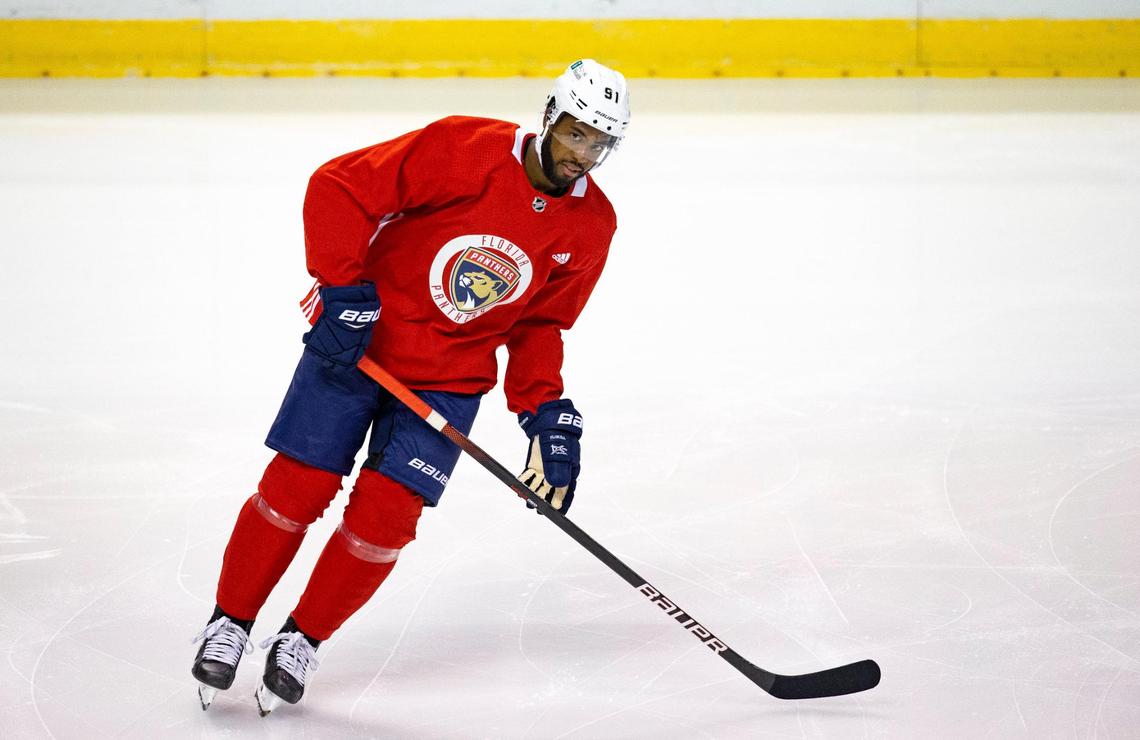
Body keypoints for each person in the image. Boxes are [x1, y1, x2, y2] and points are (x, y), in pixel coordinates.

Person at [190, 59, 630, 716]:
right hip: (360, 347)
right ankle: (229, 621)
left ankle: (301, 639)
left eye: (599, 142)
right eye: (575, 134)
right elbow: (338, 186)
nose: (582, 154)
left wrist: (544, 410)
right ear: (548, 116)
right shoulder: (463, 148)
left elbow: (541, 323)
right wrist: (342, 292)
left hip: (449, 382)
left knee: (386, 520)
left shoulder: (592, 226)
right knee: (297, 487)